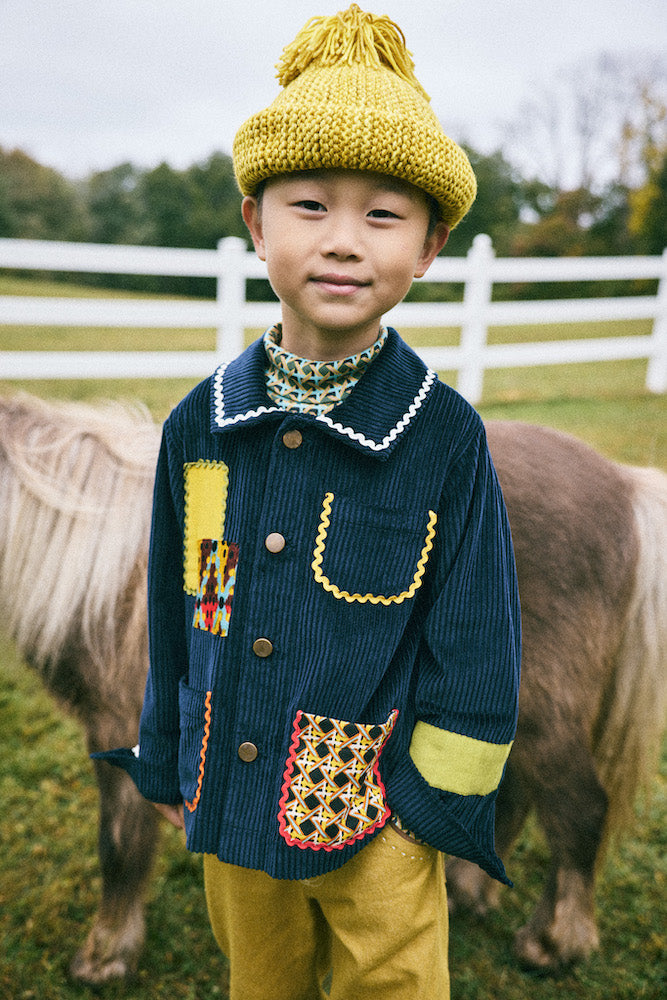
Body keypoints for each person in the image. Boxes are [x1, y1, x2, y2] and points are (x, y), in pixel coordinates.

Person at [95, 6, 520, 998]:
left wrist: (427, 812)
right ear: (254, 222)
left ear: (428, 248)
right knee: (262, 979)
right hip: (232, 800)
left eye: (382, 215)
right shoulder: (200, 428)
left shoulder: (444, 441)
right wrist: (171, 759)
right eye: (308, 206)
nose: (341, 241)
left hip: (378, 819)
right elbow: (187, 605)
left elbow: (477, 640)